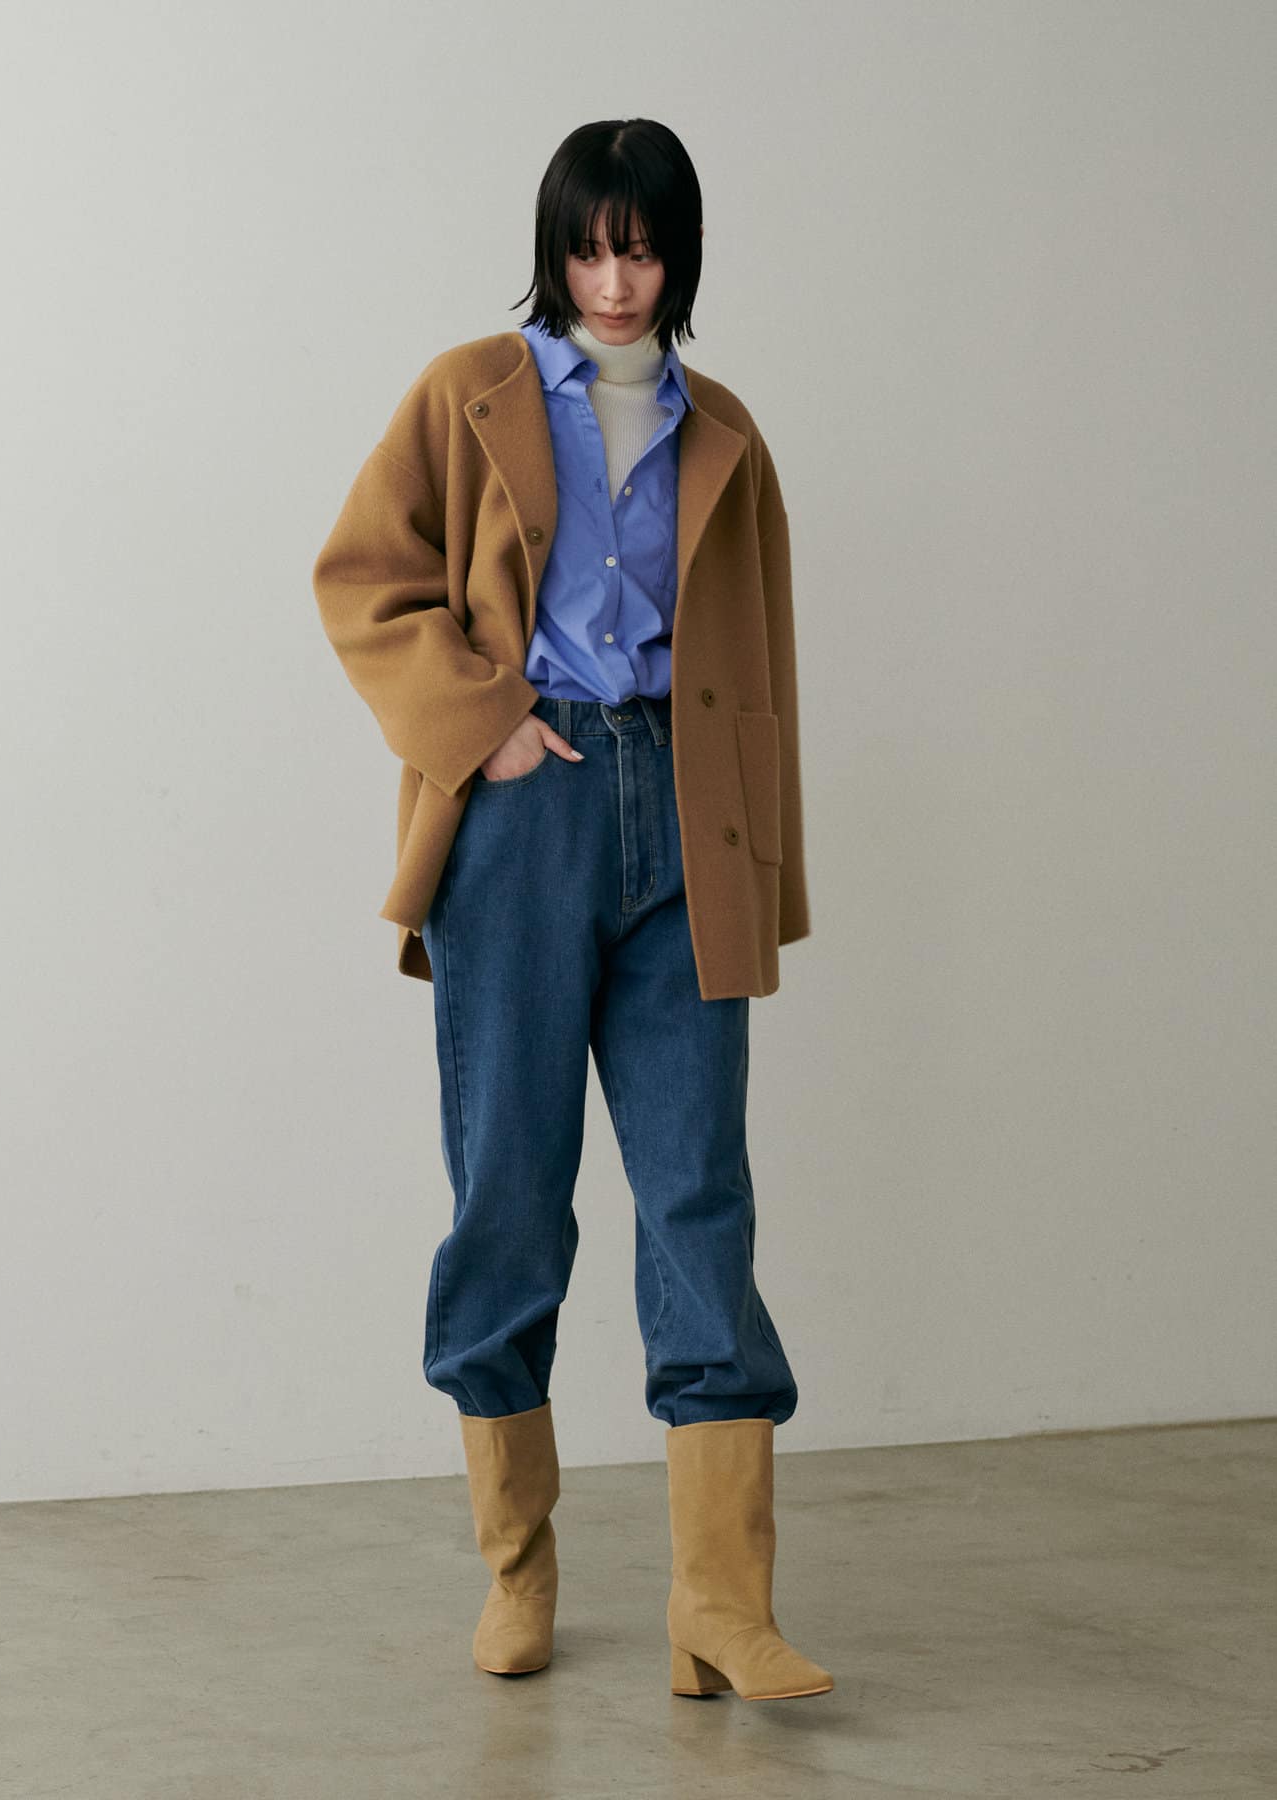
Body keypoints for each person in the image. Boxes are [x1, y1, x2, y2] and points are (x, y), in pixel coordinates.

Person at [312, 118, 832, 1703]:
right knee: (510, 1196)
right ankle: (518, 1567)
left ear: (680, 258)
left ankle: (719, 1605)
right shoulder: (468, 392)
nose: (615, 282)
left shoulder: (724, 431)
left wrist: (761, 867)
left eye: (644, 249)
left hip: (687, 817)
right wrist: (485, 728)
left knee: (699, 1197)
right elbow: (364, 580)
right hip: (523, 815)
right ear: (556, 253)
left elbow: (761, 664)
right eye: (591, 249)